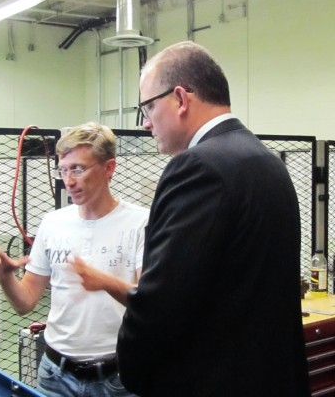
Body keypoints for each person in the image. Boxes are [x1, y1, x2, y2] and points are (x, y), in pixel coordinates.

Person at [116, 41, 310, 396]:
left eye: (147, 107)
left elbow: (162, 300)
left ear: (180, 98)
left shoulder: (197, 168)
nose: (145, 123)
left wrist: (131, 368)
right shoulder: (266, 162)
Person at [0, 122, 149, 397]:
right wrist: (6, 276)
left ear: (109, 168)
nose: (69, 180)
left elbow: (147, 303)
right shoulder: (53, 223)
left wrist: (103, 281)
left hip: (118, 378)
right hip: (55, 376)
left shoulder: (140, 223)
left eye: (78, 168)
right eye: (63, 170)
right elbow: (26, 302)